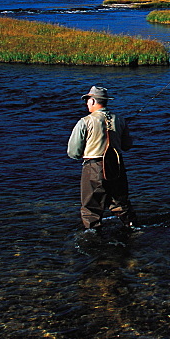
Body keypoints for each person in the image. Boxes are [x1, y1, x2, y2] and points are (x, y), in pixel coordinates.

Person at [67, 85, 137, 230]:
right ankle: (132, 228)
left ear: (93, 101)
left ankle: (94, 237)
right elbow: (127, 146)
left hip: (94, 167)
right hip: (117, 166)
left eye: (87, 100)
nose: (86, 103)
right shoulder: (120, 120)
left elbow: (73, 153)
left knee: (91, 208)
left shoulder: (84, 122)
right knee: (120, 202)